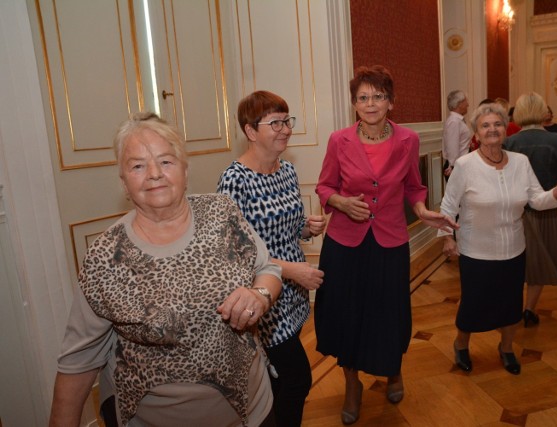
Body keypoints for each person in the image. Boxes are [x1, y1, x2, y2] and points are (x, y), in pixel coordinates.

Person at [49, 112, 282, 427]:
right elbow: (78, 362)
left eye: (166, 161)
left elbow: (268, 269)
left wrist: (260, 295)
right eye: (137, 166)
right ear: (123, 180)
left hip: (252, 410)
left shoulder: (222, 213)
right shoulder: (106, 256)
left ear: (185, 170)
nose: (154, 174)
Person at [314, 65, 457, 425]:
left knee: (388, 312)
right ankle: (351, 384)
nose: (371, 103)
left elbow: (413, 187)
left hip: (389, 240)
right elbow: (324, 187)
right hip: (345, 243)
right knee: (347, 313)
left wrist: (424, 210)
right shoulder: (338, 140)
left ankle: (393, 370)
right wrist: (341, 203)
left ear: (390, 102)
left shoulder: (407, 140)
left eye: (378, 96)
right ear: (354, 104)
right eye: (363, 97)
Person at [439, 103, 557, 375]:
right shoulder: (465, 165)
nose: (492, 129)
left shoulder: (520, 162)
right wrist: (447, 239)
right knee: (472, 305)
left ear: (506, 128)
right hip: (476, 251)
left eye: (497, 124)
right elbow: (447, 206)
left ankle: (507, 348)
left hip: (514, 250)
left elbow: (536, 200)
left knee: (511, 305)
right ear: (476, 133)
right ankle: (461, 344)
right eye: (485, 125)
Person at [217, 91, 326, 426]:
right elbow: (232, 255)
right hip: (262, 299)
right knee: (297, 379)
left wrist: (305, 228)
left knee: (279, 381)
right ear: (251, 131)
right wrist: (292, 270)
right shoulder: (235, 181)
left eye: (286, 121)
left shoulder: (287, 171)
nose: (285, 129)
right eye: (275, 122)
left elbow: (281, 230)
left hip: (291, 294)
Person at [504, 92, 557, 327]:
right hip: (546, 209)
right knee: (540, 264)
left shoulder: (510, 142)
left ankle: (512, 309)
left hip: (514, 212)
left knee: (515, 262)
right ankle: (529, 310)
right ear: (542, 111)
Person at [442, 89, 471, 180]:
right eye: (466, 101)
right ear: (459, 103)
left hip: (460, 165)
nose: (468, 104)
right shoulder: (454, 121)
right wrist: (453, 167)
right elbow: (452, 147)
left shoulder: (457, 120)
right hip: (457, 167)